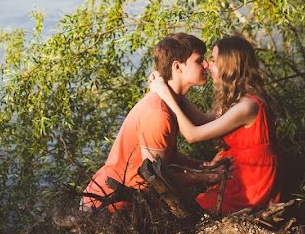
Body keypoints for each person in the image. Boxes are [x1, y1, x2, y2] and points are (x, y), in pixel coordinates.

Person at [149, 35, 279, 214]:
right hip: (241, 175)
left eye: (215, 61)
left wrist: (166, 96)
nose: (208, 65)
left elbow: (192, 135)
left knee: (195, 211)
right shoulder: (240, 101)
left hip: (250, 183)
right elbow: (203, 120)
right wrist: (173, 91)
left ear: (230, 67)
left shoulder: (247, 106)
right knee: (194, 208)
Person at [81, 32, 211, 210]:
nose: (206, 64)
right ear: (178, 67)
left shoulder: (172, 101)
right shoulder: (158, 114)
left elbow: (168, 157)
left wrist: (202, 166)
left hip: (120, 203)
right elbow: (157, 176)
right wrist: (205, 176)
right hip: (107, 206)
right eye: (199, 60)